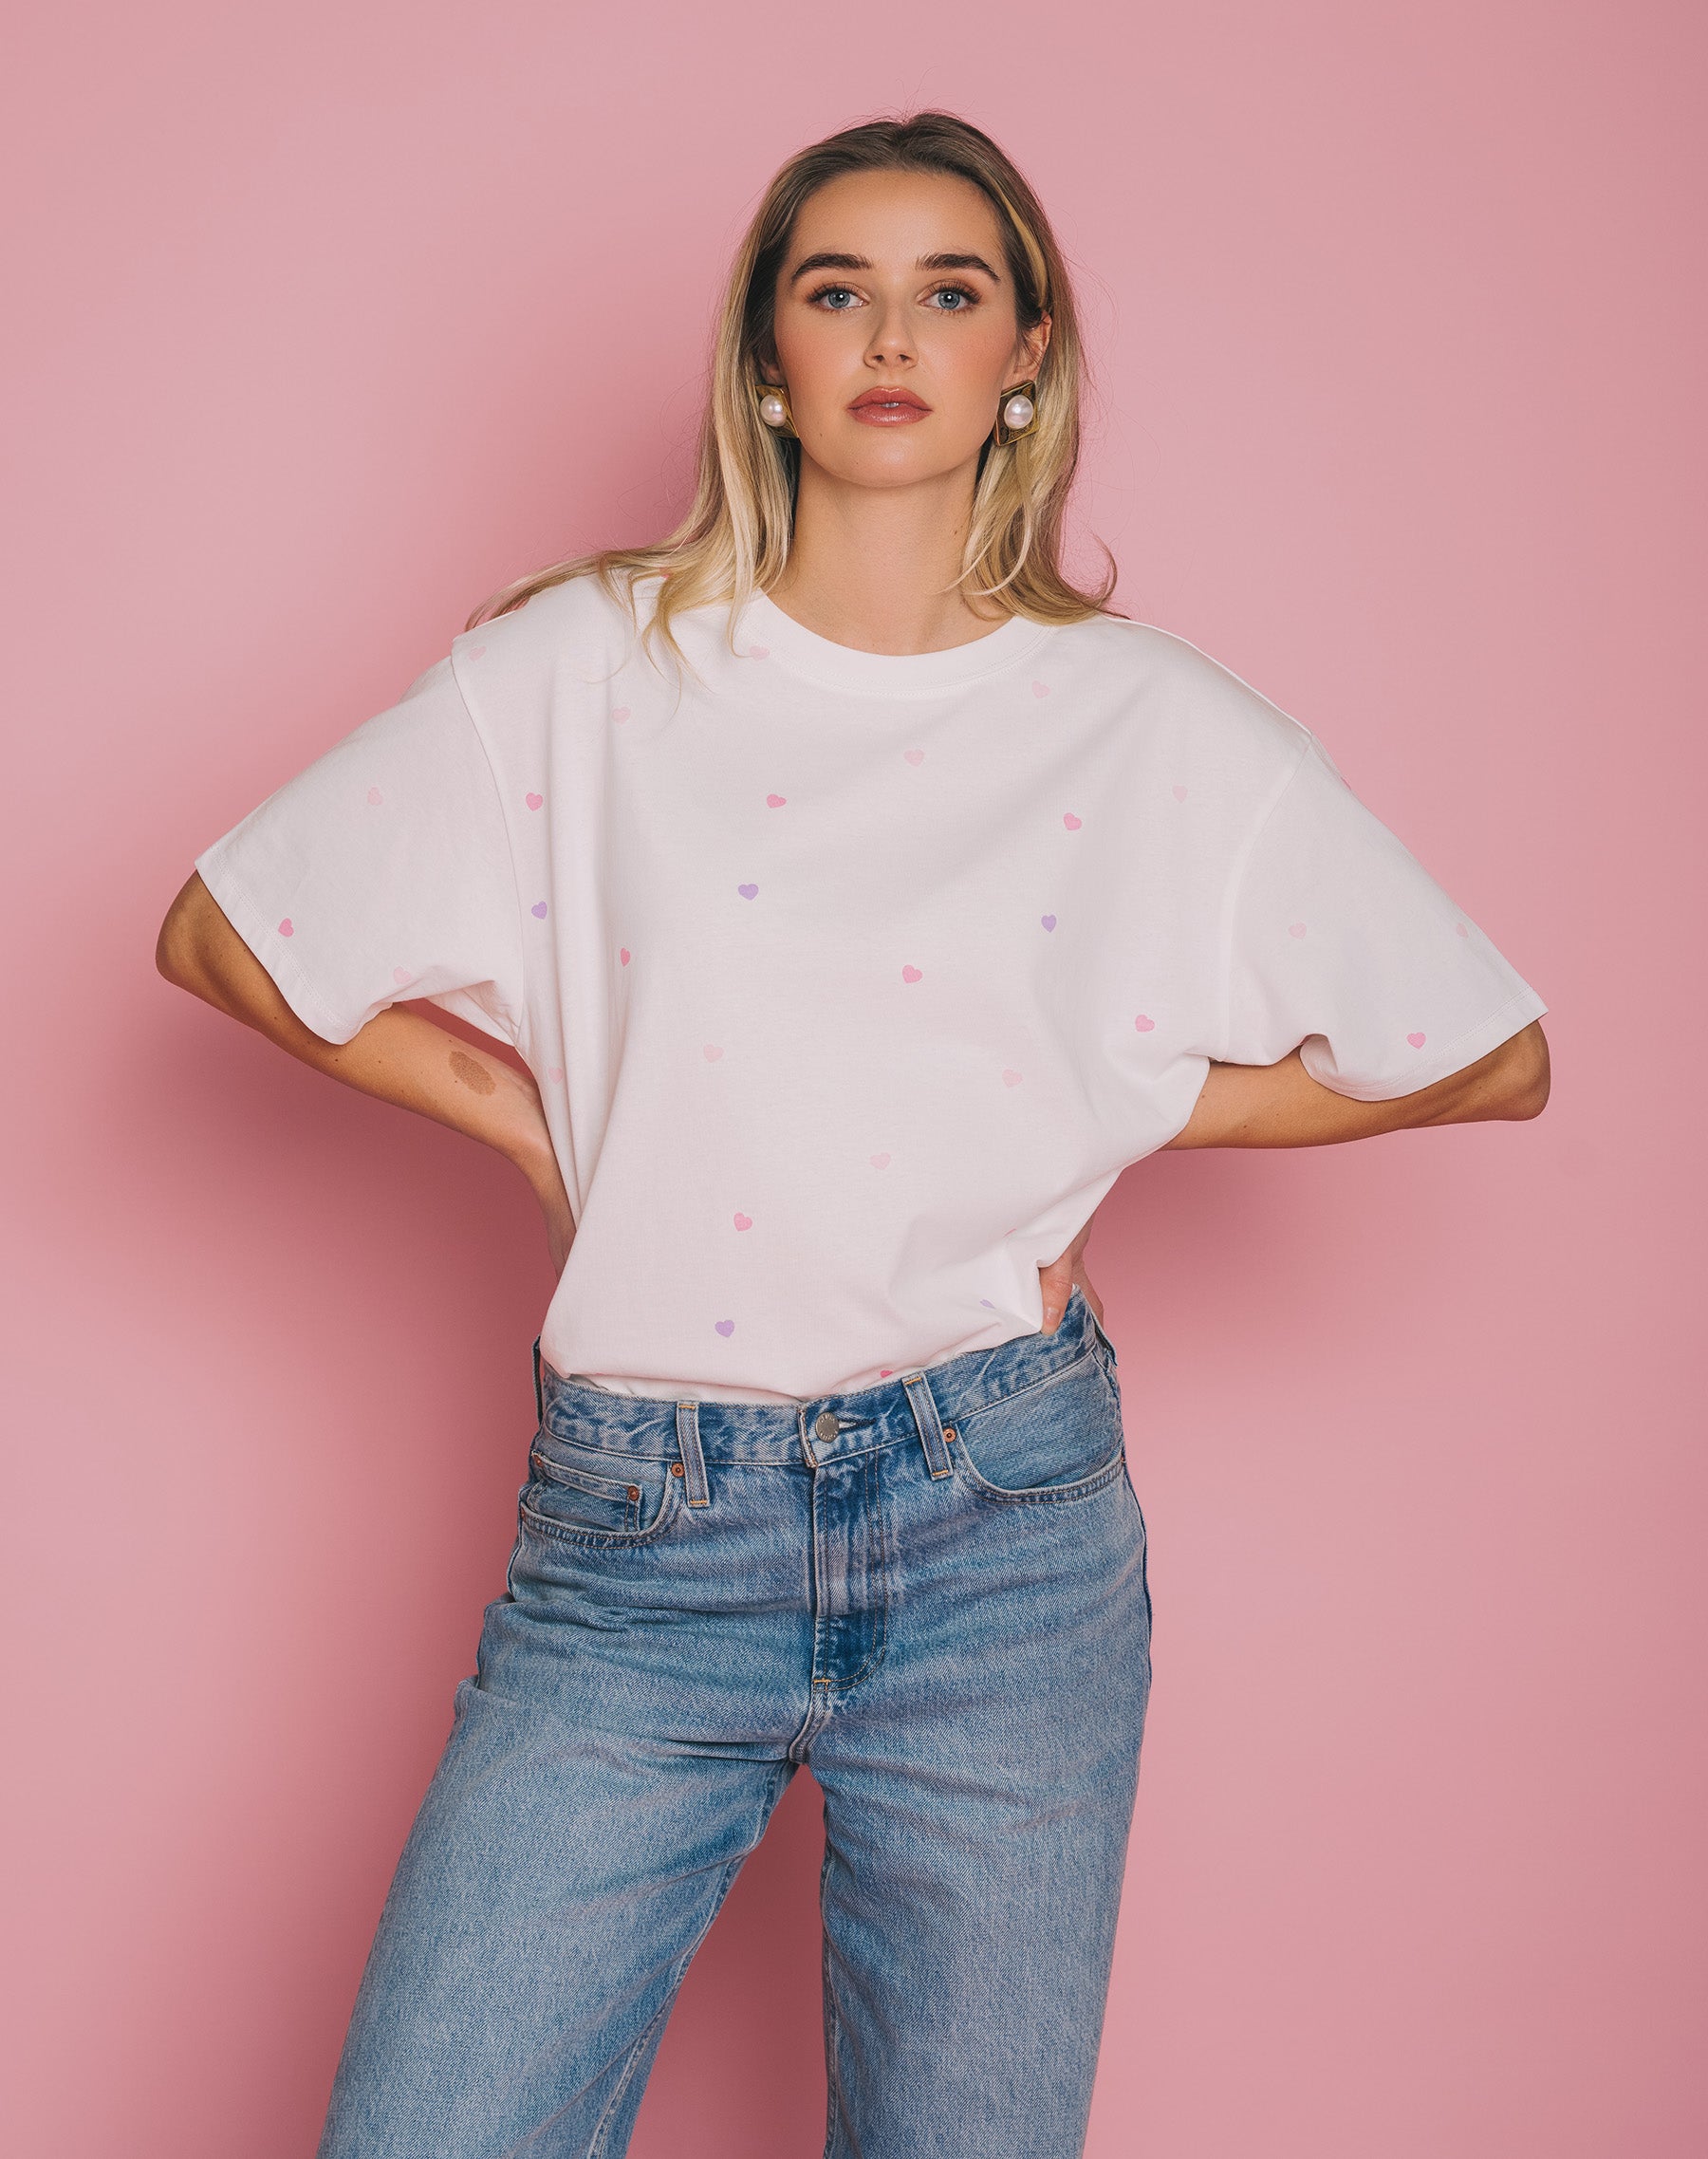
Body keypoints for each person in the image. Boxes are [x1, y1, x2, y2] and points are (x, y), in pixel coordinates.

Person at [157, 110, 1550, 2159]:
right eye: (839, 291)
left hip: (1006, 1528)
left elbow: (1487, 1050)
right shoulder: (585, 673)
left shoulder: (1152, 725)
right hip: (640, 1541)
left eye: (948, 292)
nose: (893, 338)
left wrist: (1132, 1101)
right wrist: (528, 1121)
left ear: (1024, 357)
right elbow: (225, 931)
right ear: (767, 358)